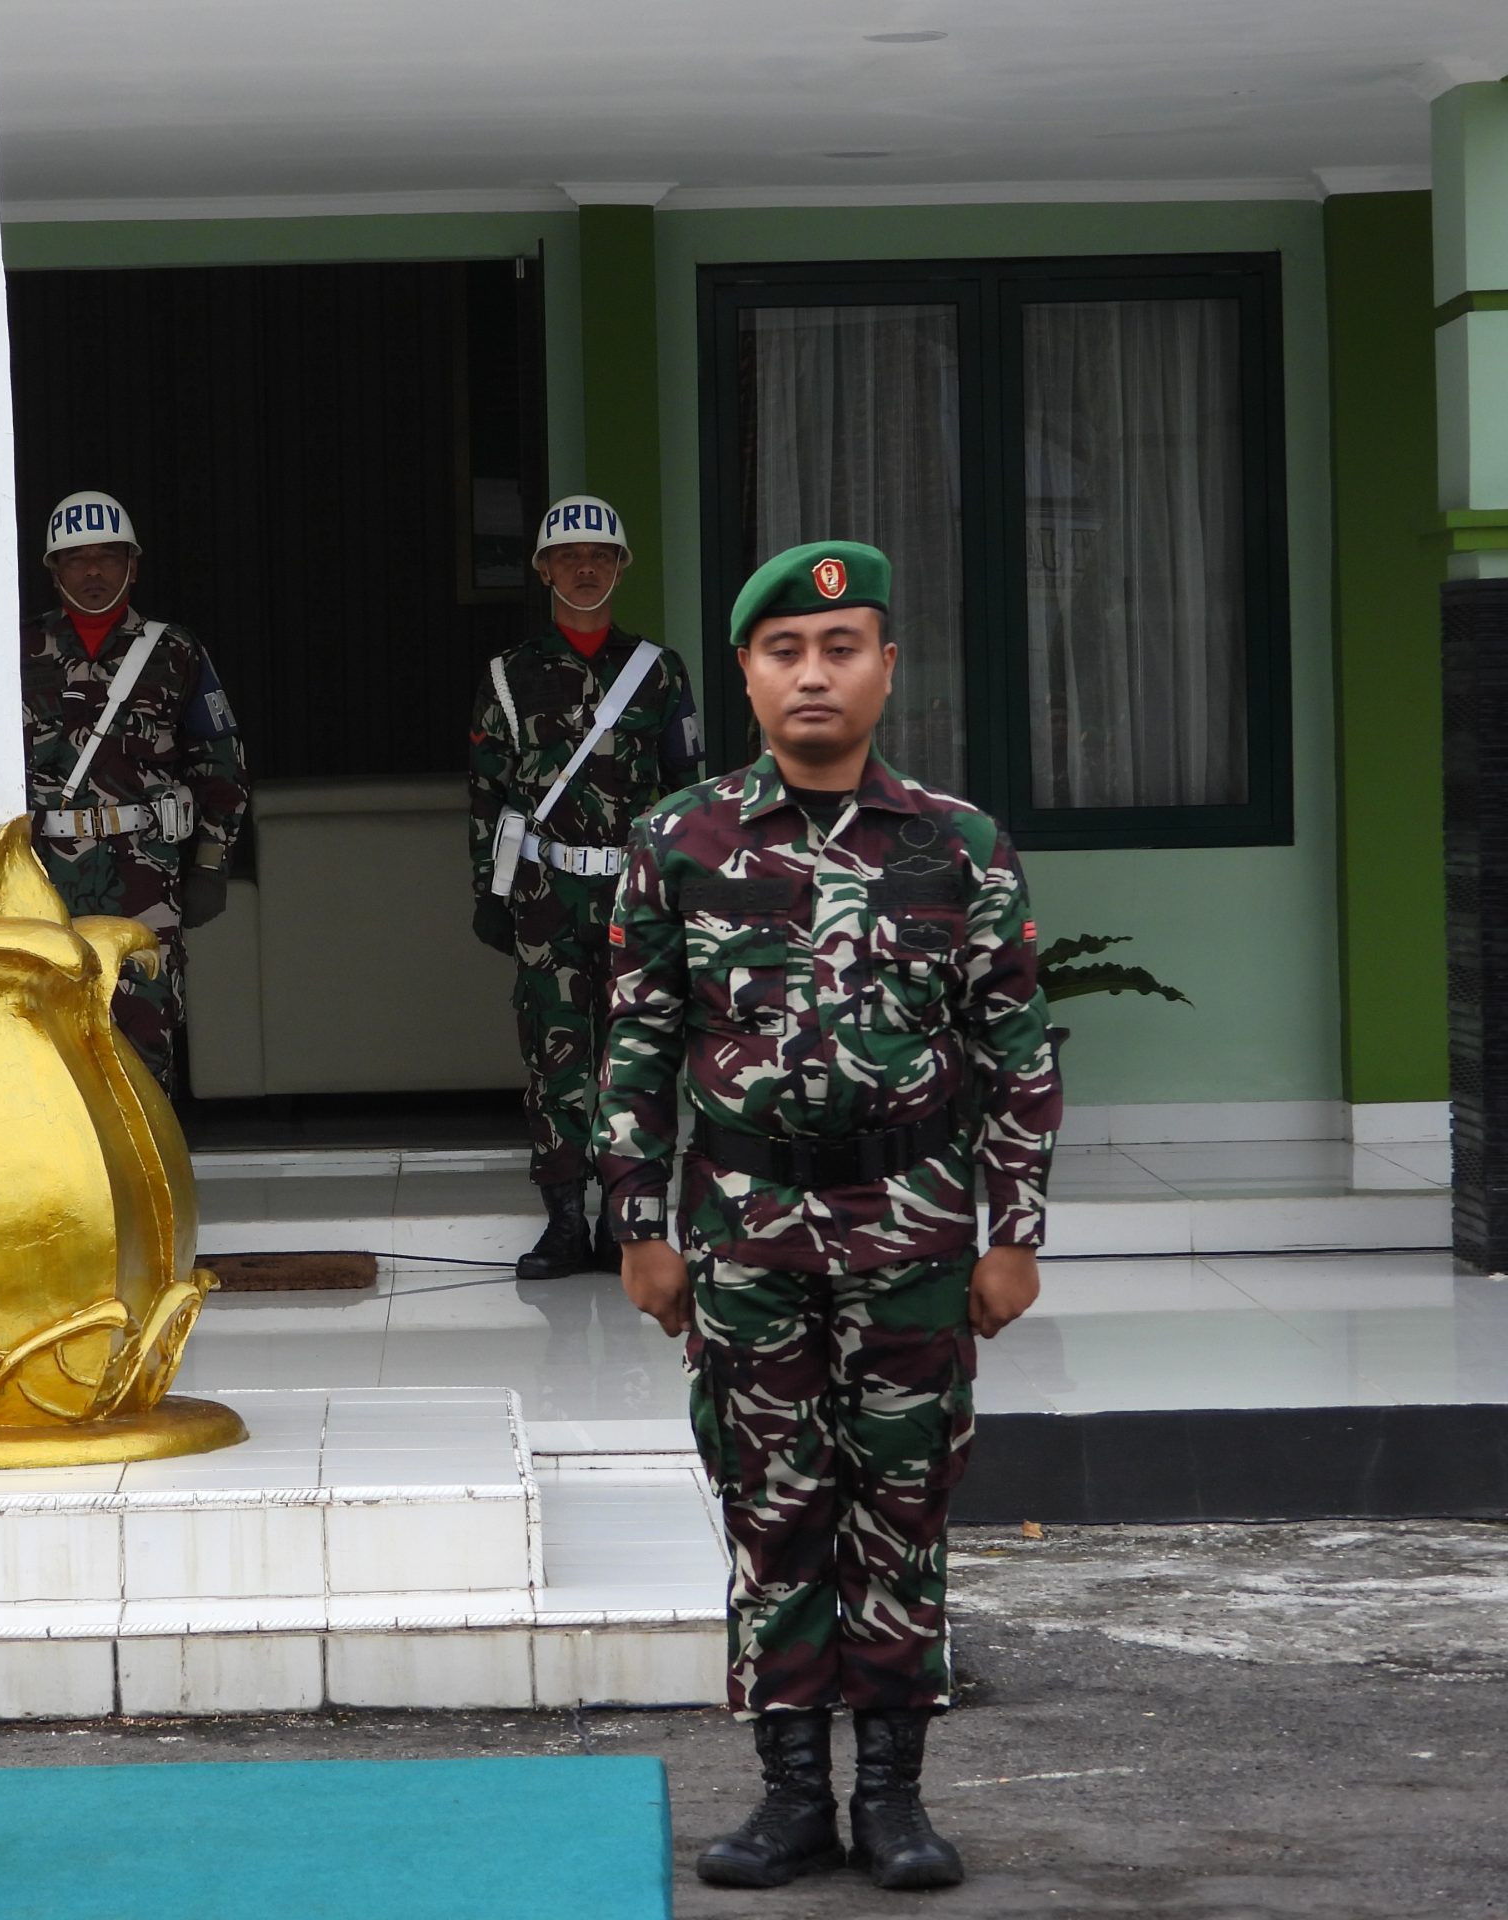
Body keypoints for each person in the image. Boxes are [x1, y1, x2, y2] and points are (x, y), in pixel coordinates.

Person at [593, 540, 1060, 1892]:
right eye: (786, 651)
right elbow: (633, 1045)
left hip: (912, 1225)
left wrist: (1013, 1231)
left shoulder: (958, 847)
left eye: (841, 648)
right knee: (773, 1511)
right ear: (746, 672)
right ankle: (793, 1794)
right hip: (743, 1231)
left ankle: (897, 1802)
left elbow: (1018, 1052)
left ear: (886, 669)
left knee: (902, 1509)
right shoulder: (678, 843)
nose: (814, 673)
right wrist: (638, 1222)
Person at [469, 494, 700, 1279]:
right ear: (542, 570)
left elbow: (683, 790)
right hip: (546, 894)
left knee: (636, 1054)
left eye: (601, 556)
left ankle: (628, 1223)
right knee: (554, 1057)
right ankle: (565, 1222)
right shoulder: (507, 678)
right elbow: (488, 795)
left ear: (621, 568)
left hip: (636, 898)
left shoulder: (660, 673)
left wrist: (685, 898)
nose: (586, 567)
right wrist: (489, 893)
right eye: (569, 557)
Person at [20, 490, 249, 1091]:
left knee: (145, 1028)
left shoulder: (175, 650)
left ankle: (148, 1182)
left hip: (144, 872)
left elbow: (220, 763)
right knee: (42, 1035)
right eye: (76, 558)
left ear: (133, 565)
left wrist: (210, 864)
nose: (93, 571)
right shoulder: (14, 651)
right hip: (41, 875)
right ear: (53, 569)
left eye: (108, 556)